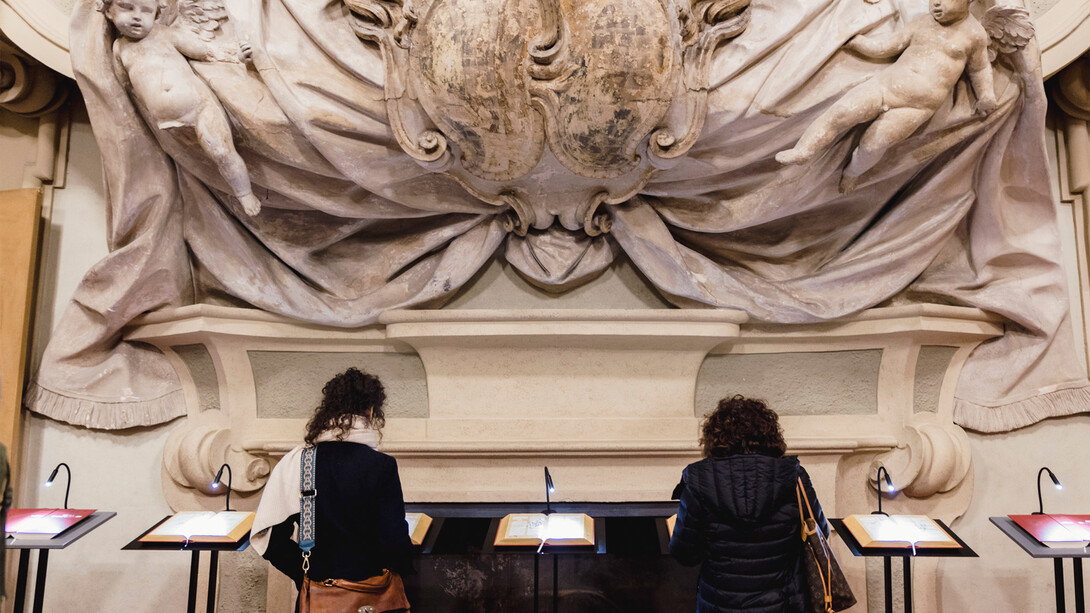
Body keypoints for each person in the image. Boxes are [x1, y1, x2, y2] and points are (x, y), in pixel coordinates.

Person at [775, 0, 997, 185]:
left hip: (916, 108)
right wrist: (857, 42)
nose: (937, 3)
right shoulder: (921, 22)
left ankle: (852, 173)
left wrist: (986, 95)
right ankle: (804, 150)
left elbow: (980, 68)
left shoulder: (974, 35)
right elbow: (888, 46)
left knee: (875, 144)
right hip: (884, 87)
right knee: (841, 111)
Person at [251, 367, 413, 596]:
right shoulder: (381, 466)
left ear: (329, 409)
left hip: (318, 599)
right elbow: (394, 543)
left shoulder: (298, 461)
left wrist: (306, 575)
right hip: (371, 598)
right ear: (370, 411)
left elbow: (268, 539)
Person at [100, 0, 262, 215]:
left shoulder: (165, 35)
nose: (137, 16)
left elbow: (207, 52)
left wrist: (239, 56)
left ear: (157, 14)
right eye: (127, 7)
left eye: (146, 10)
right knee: (191, 164)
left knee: (222, 152)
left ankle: (245, 194)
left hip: (200, 108)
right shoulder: (119, 49)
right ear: (109, 12)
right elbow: (125, 86)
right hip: (166, 124)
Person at [669, 395, 828, 613]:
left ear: (714, 437)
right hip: (783, 604)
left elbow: (684, 554)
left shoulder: (698, 480)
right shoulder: (793, 476)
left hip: (720, 605)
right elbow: (820, 534)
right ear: (769, 434)